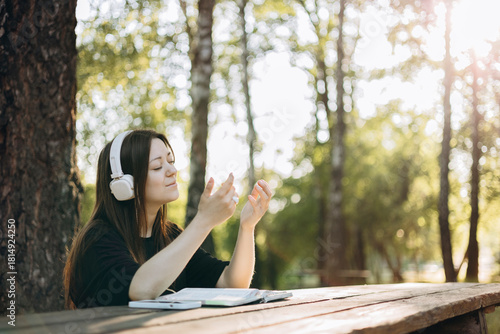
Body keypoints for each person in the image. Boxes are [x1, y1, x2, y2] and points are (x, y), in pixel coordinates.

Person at [63, 129, 272, 309]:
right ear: (123, 184)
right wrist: (204, 221)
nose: (172, 171)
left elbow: (232, 283)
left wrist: (247, 226)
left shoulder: (170, 236)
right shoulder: (98, 239)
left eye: (171, 162)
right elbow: (141, 289)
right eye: (157, 167)